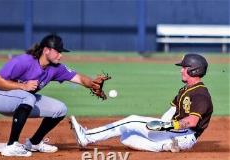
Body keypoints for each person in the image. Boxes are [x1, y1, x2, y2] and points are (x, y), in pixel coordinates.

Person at [0, 34, 102, 157]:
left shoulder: (56, 68)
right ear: (46, 50)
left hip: (22, 101)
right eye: (58, 51)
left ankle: (34, 143)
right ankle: (11, 145)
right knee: (28, 97)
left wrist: (92, 84)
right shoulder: (24, 61)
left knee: (60, 109)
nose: (61, 55)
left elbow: (79, 78)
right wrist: (23, 86)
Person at [71, 53, 213, 152]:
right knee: (126, 137)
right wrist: (162, 125)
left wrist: (167, 126)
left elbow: (193, 121)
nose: (181, 70)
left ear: (194, 70)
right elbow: (171, 111)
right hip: (175, 134)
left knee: (131, 120)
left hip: (185, 134)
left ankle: (87, 137)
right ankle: (166, 146)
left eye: (184, 68)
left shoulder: (200, 93)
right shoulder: (185, 90)